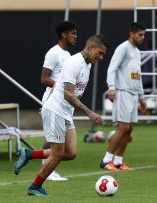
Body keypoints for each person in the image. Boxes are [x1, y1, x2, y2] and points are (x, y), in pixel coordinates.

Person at [14, 34, 108, 196]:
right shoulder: (74, 62)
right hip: (56, 110)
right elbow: (68, 94)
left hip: (65, 112)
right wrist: (90, 113)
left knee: (70, 153)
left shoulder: (88, 65)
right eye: (100, 53)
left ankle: (28, 154)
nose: (101, 57)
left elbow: (69, 90)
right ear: (90, 47)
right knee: (57, 154)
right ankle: (35, 186)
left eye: (103, 55)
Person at [100, 23, 147, 171]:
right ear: (132, 34)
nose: (142, 37)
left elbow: (137, 76)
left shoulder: (137, 52)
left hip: (133, 94)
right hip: (122, 91)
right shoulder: (123, 48)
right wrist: (111, 88)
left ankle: (119, 161)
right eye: (140, 34)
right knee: (123, 127)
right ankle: (106, 160)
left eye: (143, 35)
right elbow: (112, 68)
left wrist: (141, 97)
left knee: (129, 129)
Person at [40, 21, 77, 181]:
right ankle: (47, 168)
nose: (76, 37)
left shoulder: (68, 55)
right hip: (52, 100)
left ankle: (46, 166)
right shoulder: (53, 53)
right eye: (73, 33)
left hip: (64, 103)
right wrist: (62, 86)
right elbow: (44, 78)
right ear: (64, 34)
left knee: (57, 139)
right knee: (52, 139)